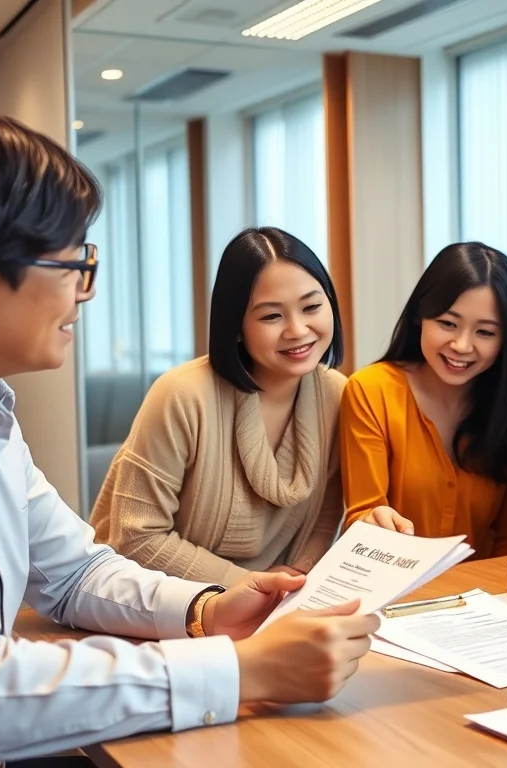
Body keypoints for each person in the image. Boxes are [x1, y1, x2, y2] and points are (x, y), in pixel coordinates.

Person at [0, 105, 378, 768]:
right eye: (72, 266)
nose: (83, 294)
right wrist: (241, 671)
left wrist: (209, 611)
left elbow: (73, 573)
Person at [91, 227, 346, 587]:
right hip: (149, 603)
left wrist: (297, 576)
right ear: (237, 326)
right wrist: (246, 584)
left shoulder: (337, 396)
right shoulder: (182, 395)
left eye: (312, 307)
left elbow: (326, 515)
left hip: (273, 606)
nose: (297, 329)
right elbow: (135, 538)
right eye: (271, 316)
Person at [340, 242, 507, 557]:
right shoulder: (370, 390)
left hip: (483, 595)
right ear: (420, 316)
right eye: (448, 324)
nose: (462, 345)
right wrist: (372, 523)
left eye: (485, 332)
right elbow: (363, 513)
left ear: (506, 339)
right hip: (392, 591)